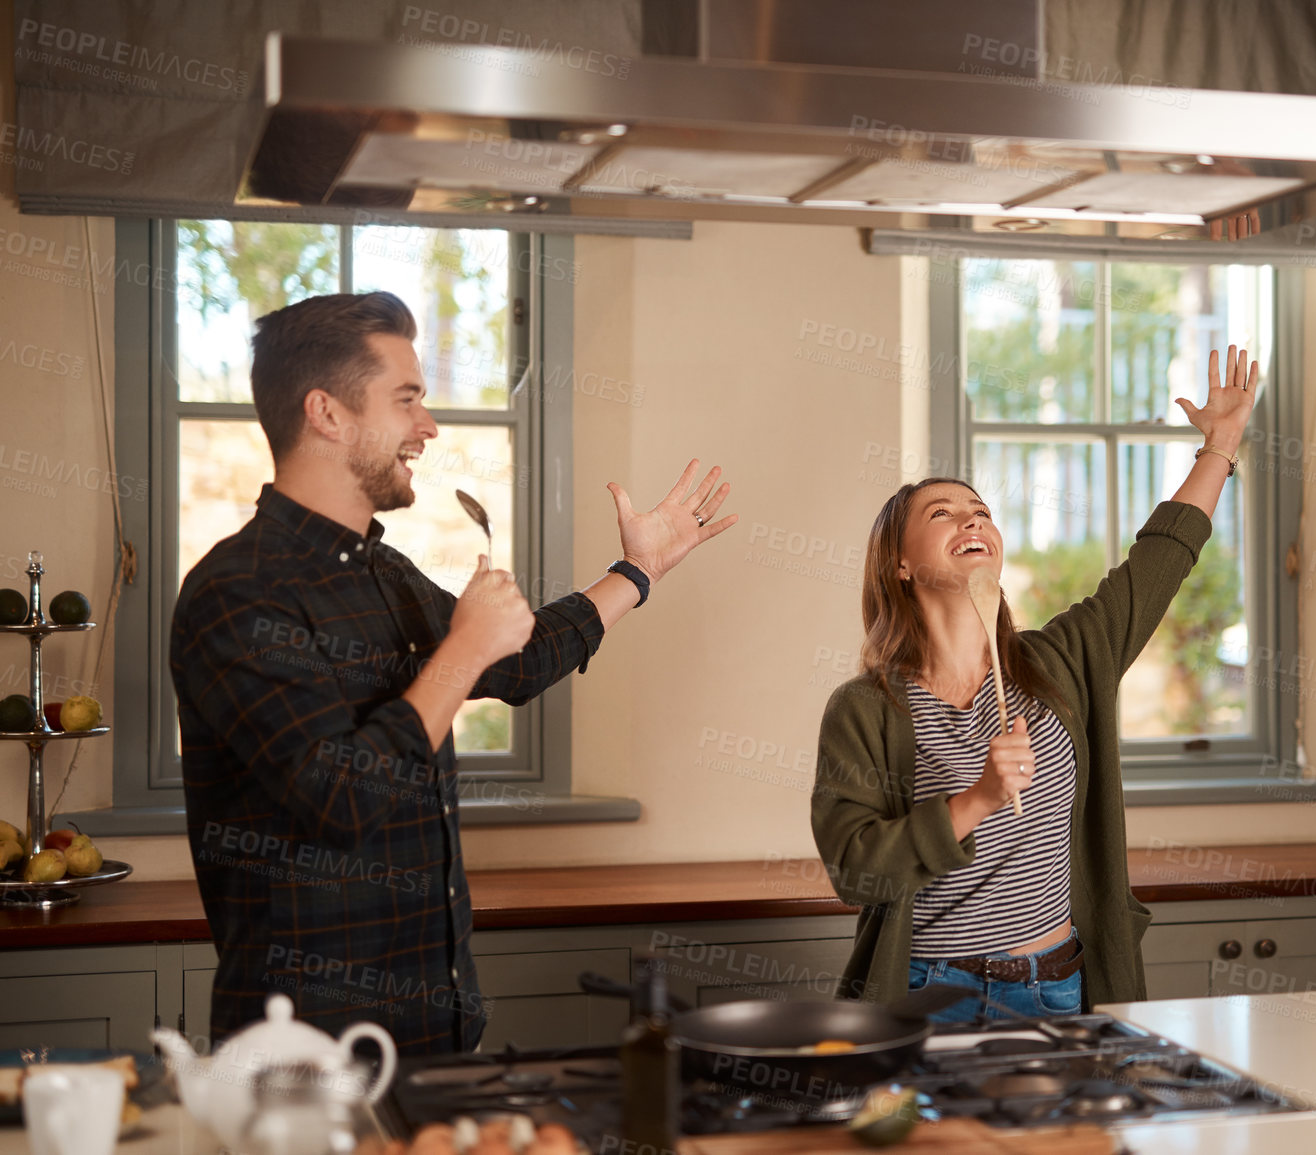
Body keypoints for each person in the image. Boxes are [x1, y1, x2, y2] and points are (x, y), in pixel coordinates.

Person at [170, 291, 736, 1053]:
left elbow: (523, 657)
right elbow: (339, 796)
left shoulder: (383, 572)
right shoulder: (235, 593)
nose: (428, 427)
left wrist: (635, 572)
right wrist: (461, 650)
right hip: (304, 1051)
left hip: (435, 1031)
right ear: (327, 413)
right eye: (407, 400)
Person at [812, 346, 1259, 1021]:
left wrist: (1220, 447)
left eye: (980, 511)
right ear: (899, 564)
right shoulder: (865, 708)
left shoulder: (1062, 660)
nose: (972, 519)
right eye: (941, 513)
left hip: (1061, 986)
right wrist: (979, 798)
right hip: (931, 995)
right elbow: (856, 871)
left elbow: (1157, 561)